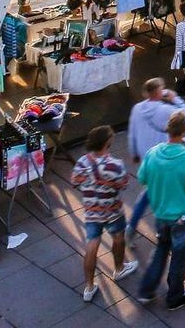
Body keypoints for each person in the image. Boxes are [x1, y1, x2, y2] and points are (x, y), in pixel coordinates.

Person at [135, 110, 185, 310]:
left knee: (161, 249)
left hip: (161, 214)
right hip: (183, 217)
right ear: (183, 131)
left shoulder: (153, 153)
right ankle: (175, 296)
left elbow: (142, 179)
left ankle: (146, 290)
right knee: (179, 257)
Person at [69, 124, 140, 302]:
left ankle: (89, 287)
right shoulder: (114, 165)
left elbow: (75, 182)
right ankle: (119, 268)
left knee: (92, 245)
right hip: (113, 211)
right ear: (107, 143)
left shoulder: (82, 163)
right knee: (118, 237)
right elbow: (124, 184)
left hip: (92, 212)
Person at [126, 78, 185, 237]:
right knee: (165, 192)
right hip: (164, 157)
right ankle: (163, 228)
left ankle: (133, 225)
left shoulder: (137, 108)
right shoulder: (164, 110)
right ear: (158, 92)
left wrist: (134, 151)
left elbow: (132, 131)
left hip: (146, 157)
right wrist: (174, 97)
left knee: (151, 190)